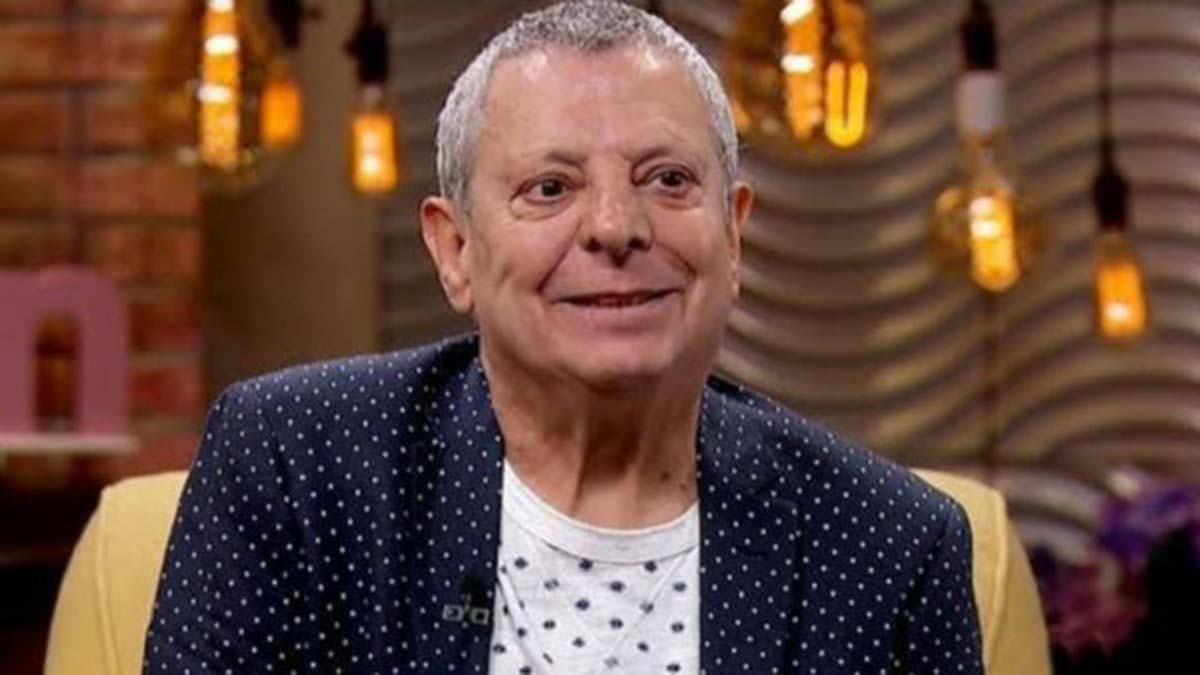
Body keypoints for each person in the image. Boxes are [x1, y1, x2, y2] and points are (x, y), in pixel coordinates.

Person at [143, 1, 984, 672]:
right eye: (550, 187)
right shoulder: (295, 467)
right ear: (455, 250)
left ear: (733, 236)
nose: (615, 227)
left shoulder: (888, 548)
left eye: (668, 179)